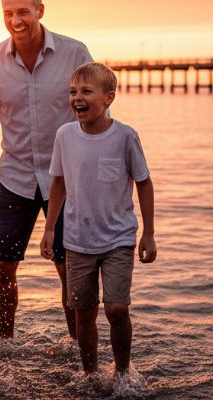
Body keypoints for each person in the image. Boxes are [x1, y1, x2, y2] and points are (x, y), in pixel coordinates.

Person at [0, 0, 93, 338]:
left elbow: (94, 112)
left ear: (40, 10)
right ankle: (6, 344)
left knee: (69, 267)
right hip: (15, 178)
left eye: (23, 11)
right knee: (3, 267)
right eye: (8, 13)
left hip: (67, 181)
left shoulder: (74, 53)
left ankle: (78, 345)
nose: (16, 20)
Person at [40, 62, 157, 376]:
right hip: (77, 240)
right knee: (83, 313)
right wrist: (49, 228)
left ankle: (122, 374)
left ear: (109, 98)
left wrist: (148, 233)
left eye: (86, 92)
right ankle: (90, 375)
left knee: (116, 308)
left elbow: (144, 182)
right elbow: (59, 183)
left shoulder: (125, 137)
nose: (77, 98)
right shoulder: (65, 135)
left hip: (118, 238)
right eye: (73, 92)